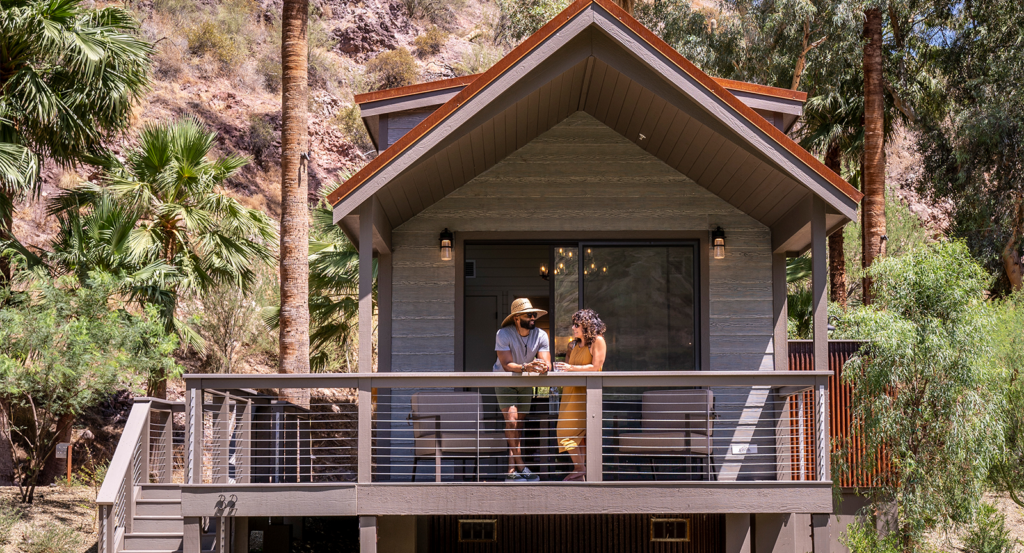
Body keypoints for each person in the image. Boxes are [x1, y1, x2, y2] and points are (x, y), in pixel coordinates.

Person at [494, 298, 550, 483]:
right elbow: (507, 364)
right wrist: (527, 367)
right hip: (505, 380)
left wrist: (543, 367)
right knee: (511, 421)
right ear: (517, 318)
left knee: (518, 426)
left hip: (525, 383)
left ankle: (512, 470)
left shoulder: (541, 335)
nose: (533, 317)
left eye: (534, 314)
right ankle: (521, 465)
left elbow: (546, 362)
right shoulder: (503, 333)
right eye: (529, 315)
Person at [554, 309, 607, 481]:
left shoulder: (598, 341)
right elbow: (568, 367)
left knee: (567, 432)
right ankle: (581, 472)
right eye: (573, 324)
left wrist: (570, 368)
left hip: (586, 394)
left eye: (577, 325)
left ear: (587, 325)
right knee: (573, 434)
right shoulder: (573, 345)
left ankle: (579, 469)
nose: (573, 327)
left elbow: (595, 367)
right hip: (570, 392)